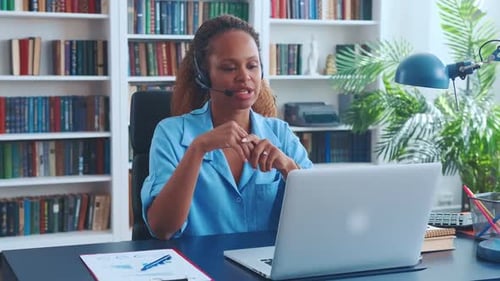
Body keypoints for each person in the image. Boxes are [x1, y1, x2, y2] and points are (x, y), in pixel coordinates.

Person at [141, 14, 313, 240]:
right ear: (204, 75)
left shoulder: (280, 133)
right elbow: (162, 228)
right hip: (200, 268)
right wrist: (198, 148)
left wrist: (287, 167)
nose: (245, 77)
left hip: (267, 268)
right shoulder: (172, 134)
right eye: (229, 68)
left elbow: (317, 215)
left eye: (252, 65)